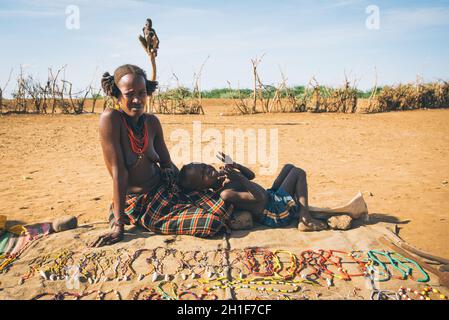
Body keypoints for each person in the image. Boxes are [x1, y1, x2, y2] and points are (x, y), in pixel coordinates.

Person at [90, 64, 230, 247]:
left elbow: (166, 163)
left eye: (141, 93)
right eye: (129, 94)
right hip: (141, 204)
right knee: (211, 224)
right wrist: (118, 225)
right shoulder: (111, 119)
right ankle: (120, 215)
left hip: (166, 189)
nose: (137, 100)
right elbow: (119, 173)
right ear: (117, 95)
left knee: (225, 205)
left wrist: (193, 185)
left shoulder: (151, 122)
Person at [177, 153, 329, 231]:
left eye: (204, 166)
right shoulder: (225, 193)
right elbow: (260, 198)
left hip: (271, 196)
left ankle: (296, 206)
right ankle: (305, 218)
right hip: (274, 212)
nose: (207, 169)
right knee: (298, 172)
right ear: (202, 188)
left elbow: (251, 176)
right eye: (203, 174)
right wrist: (239, 178)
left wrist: (235, 165)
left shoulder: (224, 176)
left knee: (288, 166)